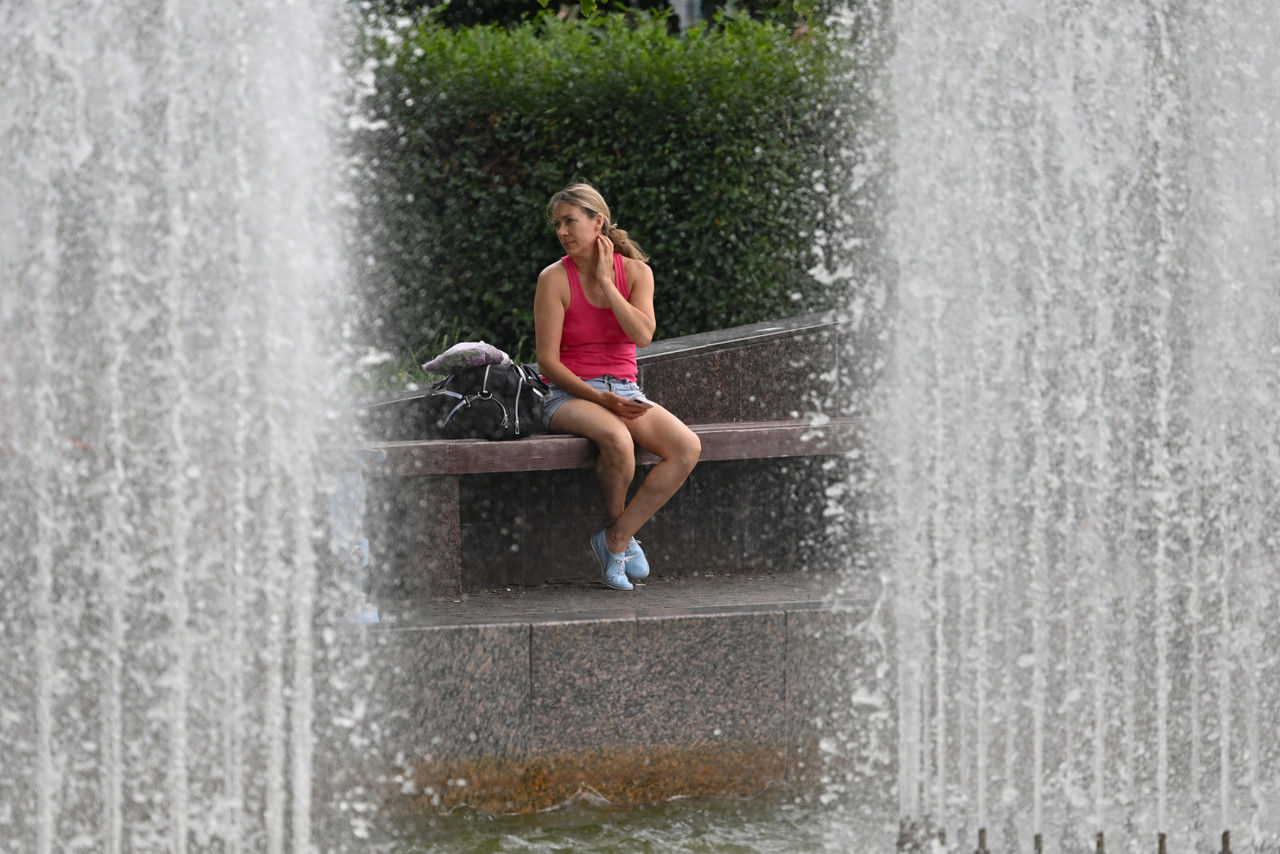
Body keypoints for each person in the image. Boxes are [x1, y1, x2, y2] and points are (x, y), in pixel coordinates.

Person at [534, 183, 701, 591]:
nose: (562, 232)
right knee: (617, 439)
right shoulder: (553, 279)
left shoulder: (638, 274)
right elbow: (548, 363)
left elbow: (643, 335)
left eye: (570, 221)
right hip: (568, 393)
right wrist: (599, 398)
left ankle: (616, 538)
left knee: (686, 448)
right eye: (558, 224)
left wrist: (608, 284)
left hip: (623, 390)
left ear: (598, 223)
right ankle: (618, 542)